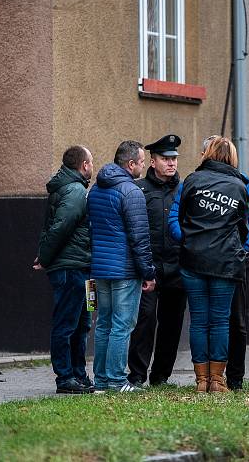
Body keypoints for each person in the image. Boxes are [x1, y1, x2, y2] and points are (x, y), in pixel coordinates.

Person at [167, 135, 249, 391]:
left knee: (199, 320)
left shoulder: (191, 181)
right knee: (220, 321)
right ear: (232, 156)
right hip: (226, 263)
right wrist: (245, 249)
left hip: (192, 261)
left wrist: (186, 241)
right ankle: (217, 381)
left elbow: (173, 219)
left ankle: (201, 381)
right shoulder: (241, 186)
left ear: (206, 154)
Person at [87, 140, 156, 392]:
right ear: (130, 164)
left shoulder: (96, 189)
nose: (143, 165)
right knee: (122, 324)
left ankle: (101, 381)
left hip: (99, 269)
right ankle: (116, 380)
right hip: (124, 270)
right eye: (141, 161)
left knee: (103, 322)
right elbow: (140, 237)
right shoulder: (132, 192)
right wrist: (147, 272)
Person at [34, 146, 94, 394]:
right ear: (84, 165)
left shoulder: (71, 188)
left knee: (83, 323)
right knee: (67, 324)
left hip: (81, 267)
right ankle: (65, 377)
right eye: (91, 161)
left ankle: (78, 375)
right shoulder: (76, 191)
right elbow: (60, 227)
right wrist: (45, 258)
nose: (92, 165)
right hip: (72, 268)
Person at [127, 135, 186, 387]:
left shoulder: (184, 190)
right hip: (149, 269)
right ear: (153, 162)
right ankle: (137, 374)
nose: (171, 164)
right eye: (165, 159)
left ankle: (161, 375)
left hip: (176, 267)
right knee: (144, 321)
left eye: (174, 159)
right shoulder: (139, 189)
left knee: (171, 325)